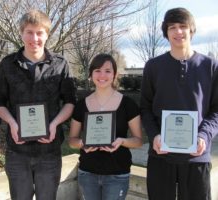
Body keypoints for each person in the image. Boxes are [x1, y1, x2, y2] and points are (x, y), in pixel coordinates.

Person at [0, 9, 76, 200]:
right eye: (29, 32)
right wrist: (13, 123)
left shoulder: (60, 64)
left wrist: (54, 124)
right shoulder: (7, 64)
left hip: (49, 151)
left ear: (47, 35)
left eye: (40, 33)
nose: (34, 38)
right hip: (17, 151)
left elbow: (70, 102)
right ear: (21, 33)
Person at [140, 7, 218, 200]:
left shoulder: (210, 66)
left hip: (196, 157)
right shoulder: (153, 66)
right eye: (172, 27)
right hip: (161, 154)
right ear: (166, 32)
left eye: (183, 26)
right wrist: (155, 135)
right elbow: (145, 107)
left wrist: (204, 135)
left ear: (192, 30)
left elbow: (216, 110)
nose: (178, 32)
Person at [69, 53, 143, 200]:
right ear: (91, 74)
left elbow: (138, 140)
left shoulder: (128, 104)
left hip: (117, 174)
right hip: (87, 172)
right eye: (97, 70)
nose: (102, 75)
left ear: (114, 74)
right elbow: (72, 140)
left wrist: (122, 141)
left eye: (108, 71)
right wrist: (82, 144)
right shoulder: (81, 105)